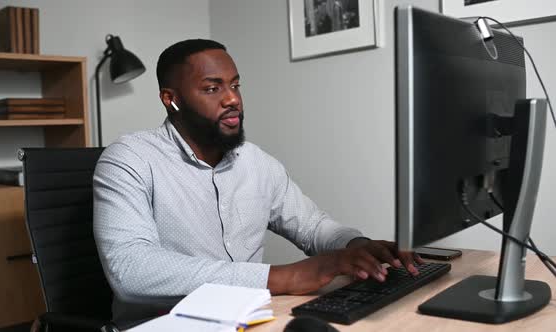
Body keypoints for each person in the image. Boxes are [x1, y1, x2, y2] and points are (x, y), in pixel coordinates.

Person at [93, 39, 423, 321]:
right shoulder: (129, 159)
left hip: (251, 319)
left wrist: (358, 247)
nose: (232, 99)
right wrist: (286, 276)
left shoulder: (255, 162)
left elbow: (311, 226)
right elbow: (130, 269)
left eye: (235, 85)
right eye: (212, 88)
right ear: (171, 99)